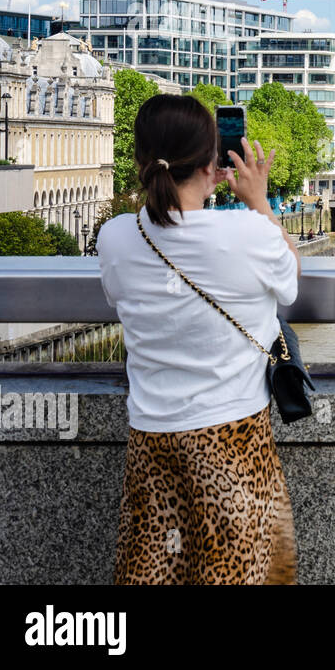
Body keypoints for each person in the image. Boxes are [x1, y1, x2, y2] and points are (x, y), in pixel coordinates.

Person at [97, 94, 302, 585]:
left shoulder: (116, 237)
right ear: (214, 166)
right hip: (234, 443)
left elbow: (117, 293)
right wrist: (259, 200)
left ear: (140, 162)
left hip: (151, 446)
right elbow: (291, 281)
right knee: (244, 572)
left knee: (153, 574)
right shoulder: (248, 233)